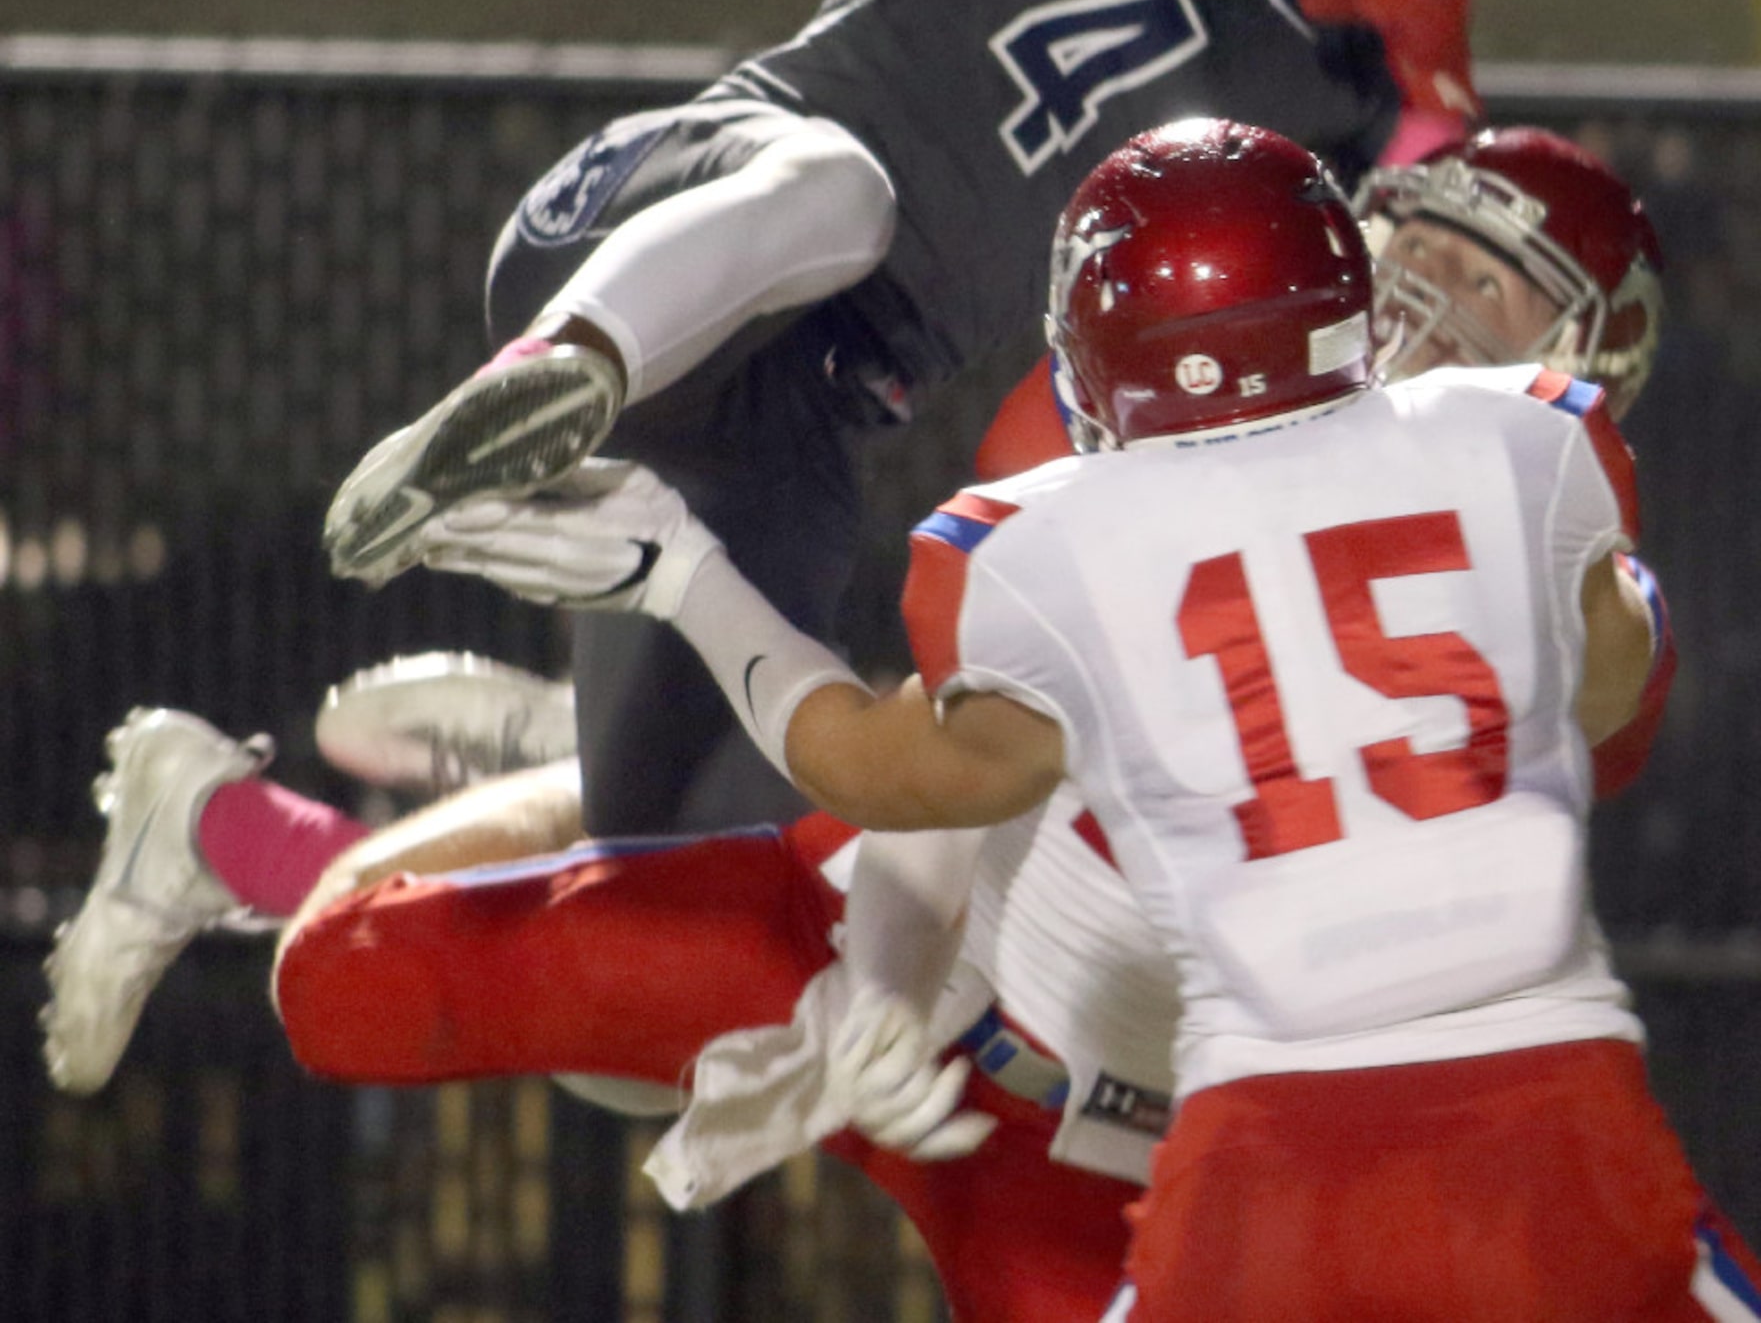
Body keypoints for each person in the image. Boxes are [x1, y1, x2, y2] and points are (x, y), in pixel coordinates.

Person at [46, 132, 1705, 1322]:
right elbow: (947, 783)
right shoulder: (1114, 452)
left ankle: (617, 777)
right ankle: (583, 776)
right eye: (1411, 245)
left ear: (1575, 358)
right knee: (346, 987)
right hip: (909, 926)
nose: (1429, 293)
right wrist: (884, 989)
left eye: (1488, 285)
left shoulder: (1529, 493)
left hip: (1100, 1145)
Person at [320, 0, 1525, 838]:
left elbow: (1385, 353)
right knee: (841, 188)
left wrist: (1429, 111)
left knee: (701, 906)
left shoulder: (1338, 80)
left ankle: (246, 835)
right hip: (660, 214)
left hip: (790, 424)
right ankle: (552, 379)